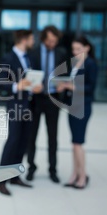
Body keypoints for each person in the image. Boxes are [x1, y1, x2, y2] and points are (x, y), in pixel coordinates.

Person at [0, 29, 43, 196]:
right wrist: (17, 86)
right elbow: (0, 82)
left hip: (30, 105)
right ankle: (1, 181)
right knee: (13, 141)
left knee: (24, 141)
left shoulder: (30, 58)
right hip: (15, 105)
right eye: (31, 38)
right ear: (23, 39)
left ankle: (15, 176)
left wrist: (36, 87)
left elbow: (33, 79)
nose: (33, 41)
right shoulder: (8, 58)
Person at [26, 25, 67, 183]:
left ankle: (53, 169)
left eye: (55, 41)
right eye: (50, 41)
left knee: (53, 136)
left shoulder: (61, 53)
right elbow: (26, 74)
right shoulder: (33, 52)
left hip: (53, 98)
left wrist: (63, 84)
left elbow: (65, 74)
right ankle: (31, 168)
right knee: (32, 136)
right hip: (35, 99)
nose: (52, 44)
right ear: (44, 38)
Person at [57, 36, 98, 189]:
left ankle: (83, 176)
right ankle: (74, 174)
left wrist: (72, 87)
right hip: (73, 107)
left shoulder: (90, 64)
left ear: (87, 48)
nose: (76, 52)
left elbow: (90, 88)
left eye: (79, 49)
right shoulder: (76, 63)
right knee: (74, 143)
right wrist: (65, 86)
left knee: (78, 143)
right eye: (74, 49)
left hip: (83, 107)